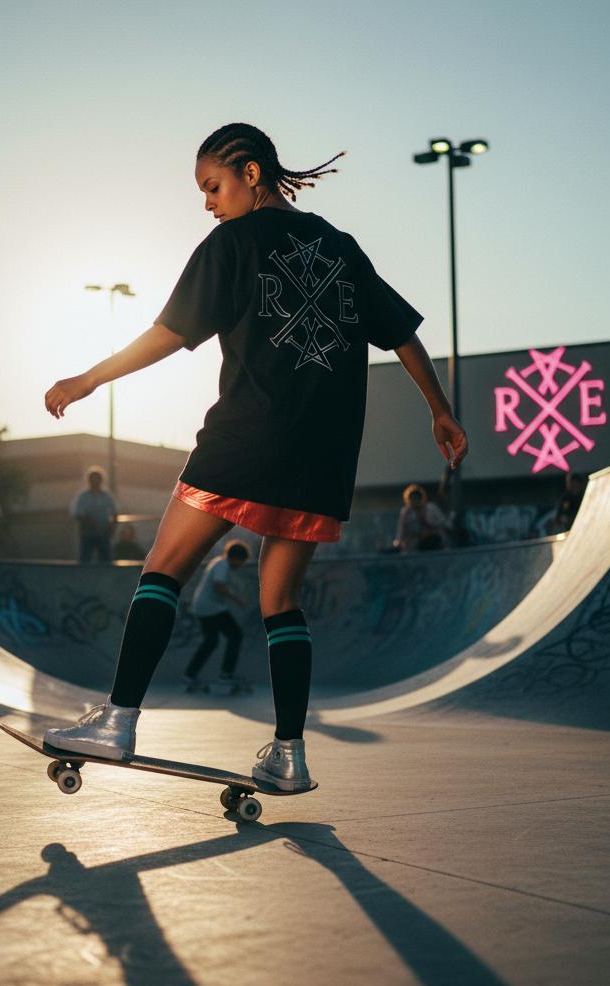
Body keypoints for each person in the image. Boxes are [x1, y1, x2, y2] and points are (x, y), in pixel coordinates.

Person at [40, 123, 467, 791]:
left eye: (213, 186)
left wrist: (88, 379)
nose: (208, 203)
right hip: (324, 455)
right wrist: (439, 411)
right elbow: (404, 334)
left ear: (250, 172)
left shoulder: (233, 243)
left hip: (248, 437)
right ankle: (290, 753)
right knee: (281, 600)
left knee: (165, 567)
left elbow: (168, 333)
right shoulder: (341, 247)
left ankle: (118, 721)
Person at [183, 540, 251, 692]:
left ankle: (190, 674)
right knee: (235, 635)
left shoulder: (218, 562)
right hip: (211, 608)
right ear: (235, 558)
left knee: (211, 641)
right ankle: (226, 674)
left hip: (201, 607)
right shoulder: (223, 564)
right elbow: (218, 585)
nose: (241, 565)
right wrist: (237, 599)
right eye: (241, 562)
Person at [71, 467, 118, 562]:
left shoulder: (106, 496)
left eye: (97, 479)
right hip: (87, 533)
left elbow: (115, 512)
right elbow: (75, 513)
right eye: (93, 479)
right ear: (88, 480)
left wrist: (113, 527)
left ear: (101, 480)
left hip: (103, 533)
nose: (95, 481)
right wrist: (87, 520)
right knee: (84, 561)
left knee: (106, 561)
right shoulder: (83, 496)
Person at [394, 484, 449, 553]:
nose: (413, 501)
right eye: (411, 499)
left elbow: (442, 522)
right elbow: (401, 528)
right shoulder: (406, 512)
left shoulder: (431, 508)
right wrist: (399, 541)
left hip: (433, 539)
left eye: (415, 499)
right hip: (414, 541)